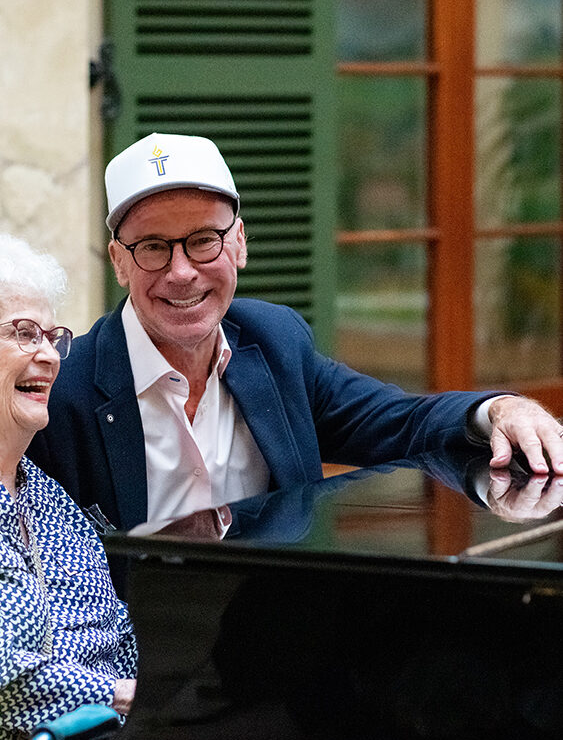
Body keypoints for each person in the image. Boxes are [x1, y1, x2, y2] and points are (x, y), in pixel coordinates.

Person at [27, 131, 563, 544]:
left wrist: (500, 410)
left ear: (239, 243)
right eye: (152, 247)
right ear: (119, 261)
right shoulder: (60, 389)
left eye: (204, 240)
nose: (182, 271)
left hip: (272, 630)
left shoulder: (274, 342)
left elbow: (402, 422)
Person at [0, 235, 137, 740]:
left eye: (54, 337)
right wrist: (128, 699)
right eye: (24, 333)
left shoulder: (52, 501)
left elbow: (120, 634)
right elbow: (7, 675)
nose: (50, 356)